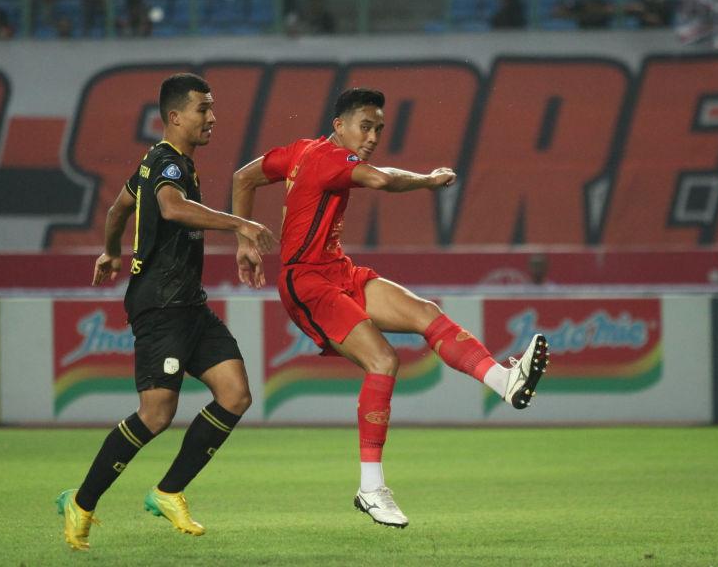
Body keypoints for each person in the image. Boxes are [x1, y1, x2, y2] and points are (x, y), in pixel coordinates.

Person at [230, 87, 549, 528]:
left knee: (425, 314)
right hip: (306, 280)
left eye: (379, 128)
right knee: (383, 360)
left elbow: (242, 178)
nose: (374, 135)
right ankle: (371, 487)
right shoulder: (329, 159)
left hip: (337, 269)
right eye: (366, 126)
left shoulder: (301, 150)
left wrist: (245, 240)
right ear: (339, 125)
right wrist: (431, 180)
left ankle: (504, 381)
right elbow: (381, 179)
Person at [57, 73, 277, 551]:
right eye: (203, 108)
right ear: (175, 116)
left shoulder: (165, 165)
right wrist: (242, 224)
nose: (212, 117)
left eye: (212, 108)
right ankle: (83, 501)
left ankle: (168, 490)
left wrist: (110, 252)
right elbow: (173, 209)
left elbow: (118, 209)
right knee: (156, 414)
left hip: (188, 305)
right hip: (160, 305)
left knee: (235, 394)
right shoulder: (166, 166)